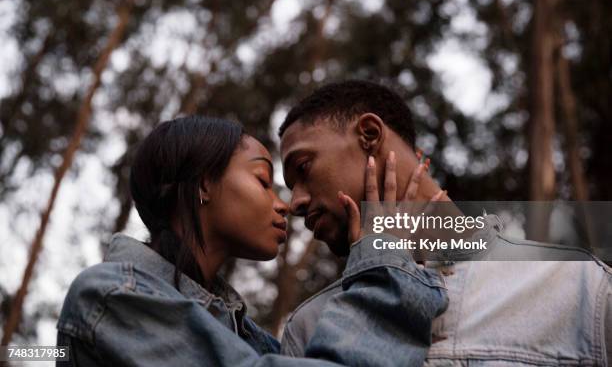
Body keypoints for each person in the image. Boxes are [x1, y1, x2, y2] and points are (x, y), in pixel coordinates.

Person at [56, 115, 448, 367]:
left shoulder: (250, 339)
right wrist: (385, 262)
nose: (285, 206)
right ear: (204, 184)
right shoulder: (110, 298)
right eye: (264, 181)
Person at [278, 79, 612, 366]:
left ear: (369, 134)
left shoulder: (579, 287)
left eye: (303, 168)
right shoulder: (308, 328)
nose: (295, 204)